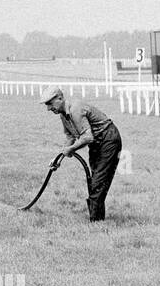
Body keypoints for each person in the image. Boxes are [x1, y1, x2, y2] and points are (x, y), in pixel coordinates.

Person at [40, 84, 122, 222]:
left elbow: (87, 137)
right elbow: (70, 137)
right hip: (97, 143)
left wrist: (71, 149)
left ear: (60, 98)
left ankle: (96, 222)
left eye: (50, 103)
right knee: (94, 180)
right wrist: (57, 160)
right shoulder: (63, 115)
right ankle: (96, 219)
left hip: (108, 140)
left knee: (98, 182)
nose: (48, 108)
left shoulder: (75, 109)